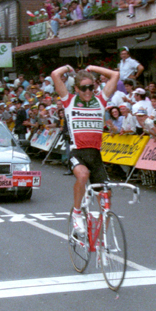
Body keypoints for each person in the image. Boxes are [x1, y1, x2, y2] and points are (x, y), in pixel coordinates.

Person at [51, 64, 119, 238]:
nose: (88, 91)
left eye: (91, 87)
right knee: (82, 175)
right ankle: (77, 213)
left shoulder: (101, 100)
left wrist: (93, 68)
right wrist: (67, 67)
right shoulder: (69, 100)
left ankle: (101, 236)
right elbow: (54, 74)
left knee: (106, 197)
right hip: (77, 152)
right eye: (83, 88)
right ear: (76, 88)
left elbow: (115, 74)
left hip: (95, 155)